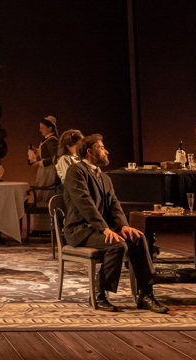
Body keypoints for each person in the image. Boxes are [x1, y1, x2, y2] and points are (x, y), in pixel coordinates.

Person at [63, 133, 168, 313]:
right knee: (117, 245)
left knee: (137, 238)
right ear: (90, 152)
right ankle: (98, 293)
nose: (107, 151)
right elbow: (84, 203)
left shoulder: (104, 177)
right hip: (81, 230)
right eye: (102, 148)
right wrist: (104, 228)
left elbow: (114, 204)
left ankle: (145, 294)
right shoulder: (76, 171)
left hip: (100, 229)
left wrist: (123, 225)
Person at [26, 116, 61, 232]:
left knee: (45, 196)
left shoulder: (52, 141)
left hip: (49, 172)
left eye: (42, 128)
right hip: (44, 171)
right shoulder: (48, 140)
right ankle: (40, 227)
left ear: (50, 128)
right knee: (42, 195)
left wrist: (40, 163)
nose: (40, 130)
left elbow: (55, 158)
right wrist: (36, 151)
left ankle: (45, 227)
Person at [54, 128, 84, 193]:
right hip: (69, 189)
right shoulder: (64, 158)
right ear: (68, 146)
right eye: (76, 147)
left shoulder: (79, 158)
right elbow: (68, 178)